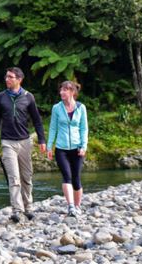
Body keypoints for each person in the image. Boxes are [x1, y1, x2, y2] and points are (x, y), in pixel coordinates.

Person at [0, 67, 47, 223]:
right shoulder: (0, 97)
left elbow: (37, 120)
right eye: (6, 76)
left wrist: (42, 140)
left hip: (25, 142)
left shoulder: (29, 97)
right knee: (14, 177)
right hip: (7, 142)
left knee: (26, 177)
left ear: (19, 79)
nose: (7, 79)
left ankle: (28, 207)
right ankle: (17, 210)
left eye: (10, 77)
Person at [46, 80, 88, 217]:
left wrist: (84, 146)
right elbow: (53, 128)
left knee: (76, 179)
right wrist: (49, 146)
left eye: (65, 90)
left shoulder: (81, 108)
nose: (61, 92)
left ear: (72, 92)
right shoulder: (56, 108)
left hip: (77, 149)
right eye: (61, 90)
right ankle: (70, 206)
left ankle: (77, 206)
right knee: (67, 177)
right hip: (61, 149)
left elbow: (84, 129)